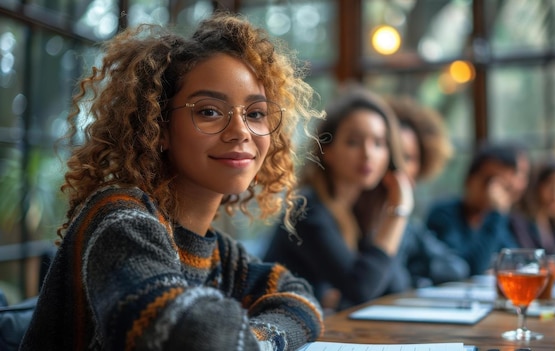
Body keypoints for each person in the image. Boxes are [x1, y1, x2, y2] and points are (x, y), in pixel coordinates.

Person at [20, 12, 323, 351]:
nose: (241, 131)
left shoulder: (219, 253)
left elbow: (300, 300)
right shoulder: (121, 220)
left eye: (255, 113)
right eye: (208, 111)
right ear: (159, 128)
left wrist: (252, 341)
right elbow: (189, 337)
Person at [264, 85, 415, 312]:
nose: (368, 154)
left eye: (379, 143)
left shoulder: (359, 209)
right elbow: (361, 288)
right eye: (353, 142)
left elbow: (393, 285)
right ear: (328, 151)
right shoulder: (306, 208)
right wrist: (398, 212)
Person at [385, 96, 469, 287]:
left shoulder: (409, 227)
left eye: (408, 157)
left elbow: (456, 268)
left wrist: (416, 275)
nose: (398, 165)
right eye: (393, 153)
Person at [425, 142, 520, 276]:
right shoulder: (443, 214)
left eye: (503, 186)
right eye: (489, 181)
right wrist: (496, 213)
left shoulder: (494, 219)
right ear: (470, 179)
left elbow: (515, 263)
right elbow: (470, 268)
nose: (493, 192)